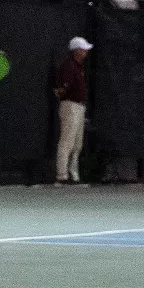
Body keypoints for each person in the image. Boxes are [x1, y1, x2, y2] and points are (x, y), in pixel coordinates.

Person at [53, 36, 91, 185]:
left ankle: (74, 176)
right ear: (76, 51)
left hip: (80, 107)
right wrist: (61, 92)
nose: (86, 52)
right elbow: (62, 89)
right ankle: (61, 176)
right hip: (70, 106)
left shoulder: (79, 67)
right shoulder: (68, 66)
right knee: (67, 141)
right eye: (83, 49)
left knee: (77, 144)